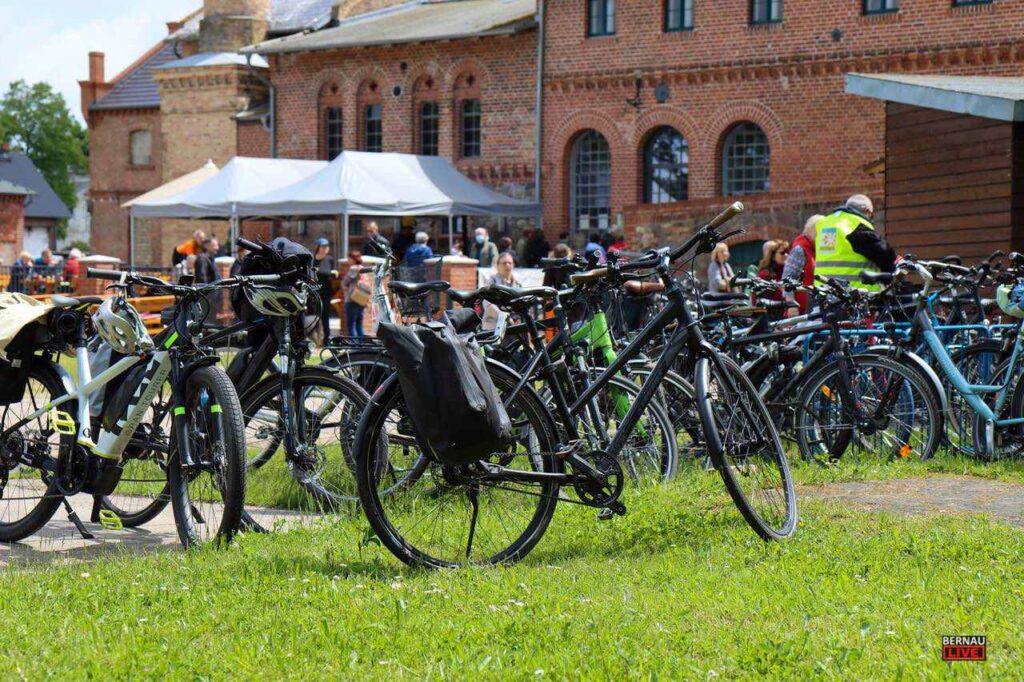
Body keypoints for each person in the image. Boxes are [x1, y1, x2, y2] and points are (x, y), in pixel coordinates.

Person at [815, 194, 896, 292]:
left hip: (823, 291)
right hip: (853, 292)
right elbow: (884, 254)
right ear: (866, 211)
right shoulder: (854, 224)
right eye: (871, 214)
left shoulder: (826, 223)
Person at [783, 215, 823, 315]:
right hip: (801, 310)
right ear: (812, 230)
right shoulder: (800, 249)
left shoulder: (817, 249)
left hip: (815, 307)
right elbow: (787, 278)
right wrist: (791, 304)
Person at [482, 251, 521, 329]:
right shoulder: (492, 282)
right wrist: (504, 317)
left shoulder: (518, 284)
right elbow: (487, 304)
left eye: (510, 263)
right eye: (504, 263)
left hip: (514, 326)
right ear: (497, 266)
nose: (507, 265)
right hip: (493, 326)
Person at [341, 250, 368, 337]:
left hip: (352, 298)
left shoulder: (353, 268)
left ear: (353, 259)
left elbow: (345, 282)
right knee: (359, 324)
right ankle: (361, 344)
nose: (348, 260)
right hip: (361, 299)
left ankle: (354, 344)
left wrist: (343, 286)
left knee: (351, 325)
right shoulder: (362, 268)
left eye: (349, 258)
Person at [313, 238, 335, 340]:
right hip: (314, 290)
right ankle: (315, 337)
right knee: (314, 314)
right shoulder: (313, 259)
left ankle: (326, 337)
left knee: (325, 314)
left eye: (327, 246)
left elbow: (333, 273)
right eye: (323, 246)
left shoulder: (330, 259)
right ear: (318, 247)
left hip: (326, 290)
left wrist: (334, 273)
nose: (326, 248)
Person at [757, 240, 789, 307]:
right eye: (782, 253)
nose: (786, 255)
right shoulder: (764, 275)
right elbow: (756, 300)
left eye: (787, 252)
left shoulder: (789, 273)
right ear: (773, 256)